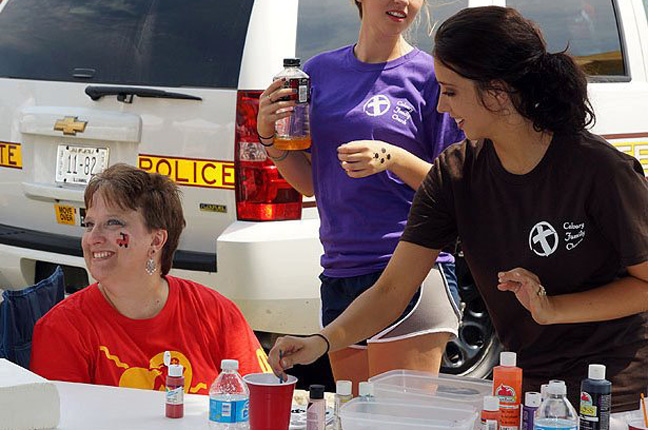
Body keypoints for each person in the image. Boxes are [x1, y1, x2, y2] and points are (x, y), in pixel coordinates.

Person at [268, 6, 648, 411]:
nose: (441, 107)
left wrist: (553, 308)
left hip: (612, 392)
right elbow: (393, 290)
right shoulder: (454, 173)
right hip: (529, 388)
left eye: (450, 91)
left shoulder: (601, 170)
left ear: (498, 91)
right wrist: (322, 341)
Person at [257, 0, 464, 389]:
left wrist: (394, 158)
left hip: (409, 270)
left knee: (398, 420)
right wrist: (270, 140)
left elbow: (454, 187)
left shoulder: (431, 76)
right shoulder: (318, 72)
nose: (403, 2)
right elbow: (311, 184)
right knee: (353, 415)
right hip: (340, 272)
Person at [31, 164, 269, 393]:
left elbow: (263, 404)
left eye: (113, 223)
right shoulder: (61, 329)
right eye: (89, 224)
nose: (93, 238)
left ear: (156, 241)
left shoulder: (217, 314)